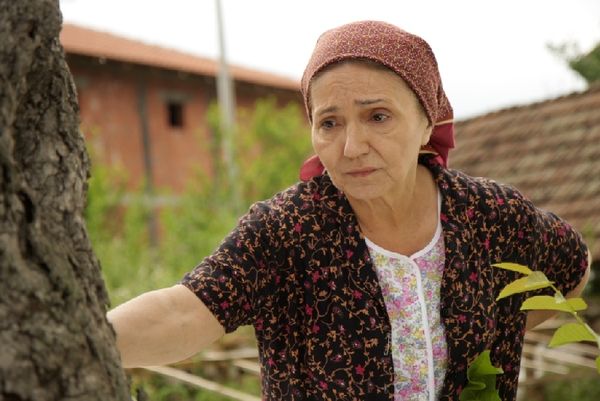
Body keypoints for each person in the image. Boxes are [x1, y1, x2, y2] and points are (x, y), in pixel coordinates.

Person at [108, 20, 591, 401]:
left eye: (377, 116)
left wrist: (502, 332)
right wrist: (85, 338)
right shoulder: (288, 229)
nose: (351, 146)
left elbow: (572, 266)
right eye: (329, 123)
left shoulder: (491, 215)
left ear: (427, 121)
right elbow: (184, 311)